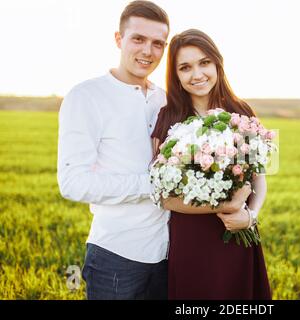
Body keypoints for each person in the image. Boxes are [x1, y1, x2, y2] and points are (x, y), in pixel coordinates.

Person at [57, 0, 172, 300]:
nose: (148, 51)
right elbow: (73, 182)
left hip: (169, 255)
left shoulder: (167, 100)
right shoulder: (87, 96)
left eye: (158, 43)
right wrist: (153, 185)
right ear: (119, 39)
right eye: (138, 39)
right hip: (116, 256)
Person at [151, 29, 272, 299]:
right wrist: (223, 206)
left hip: (238, 232)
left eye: (204, 62)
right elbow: (163, 195)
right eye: (185, 67)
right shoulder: (168, 116)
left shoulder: (241, 112)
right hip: (191, 241)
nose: (197, 74)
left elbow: (259, 181)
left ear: (217, 63)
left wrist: (249, 217)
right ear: (176, 76)